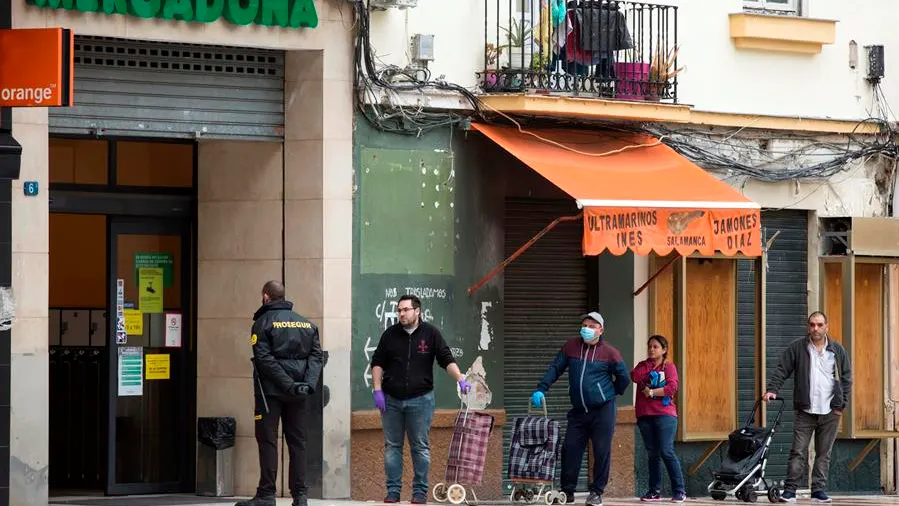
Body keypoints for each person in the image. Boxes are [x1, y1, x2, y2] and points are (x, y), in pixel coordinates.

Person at [370, 294, 472, 504]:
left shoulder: (431, 334)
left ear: (417, 311)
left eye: (405, 310)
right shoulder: (389, 335)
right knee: (392, 446)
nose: (401, 314)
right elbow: (377, 362)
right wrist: (377, 389)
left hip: (421, 400)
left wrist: (461, 379)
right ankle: (393, 491)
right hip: (391, 399)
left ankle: (419, 492)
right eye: (399, 310)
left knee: (420, 446)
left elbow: (446, 359)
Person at [238, 281, 324, 506]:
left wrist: (288, 385)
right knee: (298, 442)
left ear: (266, 297)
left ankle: (267, 494)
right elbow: (317, 358)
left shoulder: (262, 323)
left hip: (270, 393)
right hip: (299, 392)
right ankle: (301, 496)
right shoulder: (307, 325)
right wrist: (307, 384)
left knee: (268, 440)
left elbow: (264, 361)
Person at [530, 311, 629, 506]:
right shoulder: (571, 346)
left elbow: (624, 378)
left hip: (603, 411)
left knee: (601, 451)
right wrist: (541, 388)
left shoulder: (610, 352)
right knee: (570, 449)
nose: (587, 329)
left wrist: (608, 394)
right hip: (578, 412)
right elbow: (555, 368)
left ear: (601, 330)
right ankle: (568, 491)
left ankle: (596, 492)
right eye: (585, 325)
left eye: (592, 326)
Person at [763, 311, 852, 504]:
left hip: (830, 412)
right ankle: (790, 491)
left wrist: (841, 405)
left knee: (823, 454)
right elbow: (782, 369)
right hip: (805, 411)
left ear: (826, 327)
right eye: (812, 325)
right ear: (808, 326)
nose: (815, 329)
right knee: (798, 451)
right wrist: (772, 390)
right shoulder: (798, 348)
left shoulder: (837, 350)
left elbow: (846, 379)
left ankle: (818, 490)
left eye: (820, 325)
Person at [631, 335, 686, 503]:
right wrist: (649, 363)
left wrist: (653, 393)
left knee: (666, 451)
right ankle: (654, 491)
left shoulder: (668, 367)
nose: (651, 349)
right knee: (652, 454)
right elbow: (635, 377)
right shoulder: (643, 365)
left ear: (664, 350)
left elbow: (671, 387)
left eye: (655, 347)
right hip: (645, 415)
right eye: (650, 346)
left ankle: (679, 490)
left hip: (664, 415)